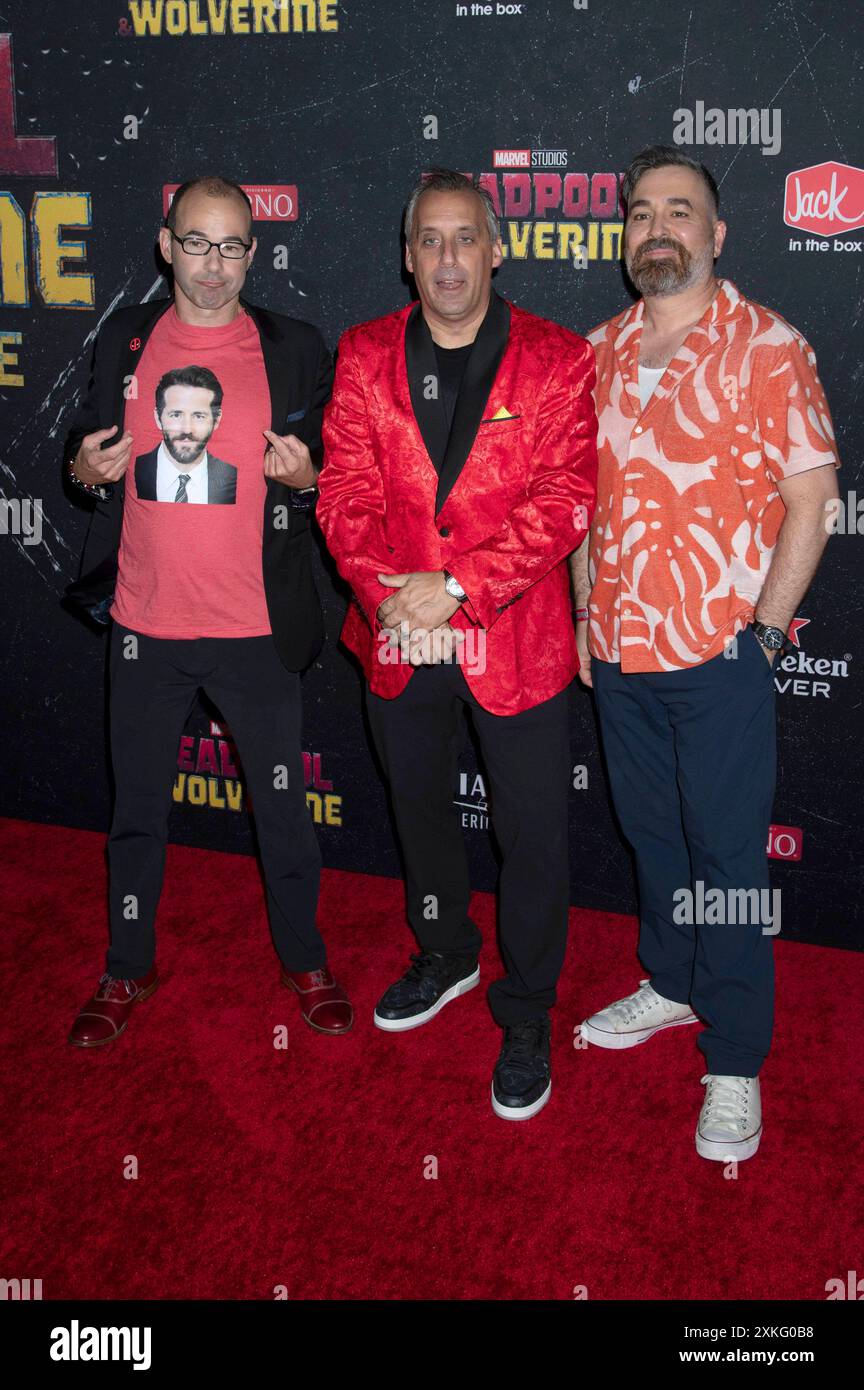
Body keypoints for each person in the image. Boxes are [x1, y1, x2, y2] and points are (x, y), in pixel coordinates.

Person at [570, 145, 840, 1161]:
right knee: (652, 835)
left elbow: (813, 500)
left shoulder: (769, 345)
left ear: (716, 235)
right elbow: (585, 507)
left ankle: (734, 1058)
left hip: (720, 655)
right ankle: (674, 981)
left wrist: (763, 638)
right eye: (641, 212)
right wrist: (586, 609)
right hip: (622, 652)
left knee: (727, 860)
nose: (657, 228)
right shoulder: (595, 349)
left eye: (678, 212)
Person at [317, 168, 598, 1120]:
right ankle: (444, 951)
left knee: (533, 837)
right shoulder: (361, 355)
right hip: (398, 631)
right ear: (407, 256)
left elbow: (566, 501)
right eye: (428, 241)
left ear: (496, 247)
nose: (446, 258)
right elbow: (343, 493)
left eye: (464, 238)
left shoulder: (558, 360)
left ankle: (525, 1012)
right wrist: (392, 598)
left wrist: (462, 588)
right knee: (420, 810)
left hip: (513, 639)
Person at [64, 175, 353, 1046]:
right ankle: (126, 967)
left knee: (283, 814)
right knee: (137, 813)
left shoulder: (295, 346)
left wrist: (308, 484)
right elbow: (82, 463)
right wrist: (85, 472)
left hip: (255, 631)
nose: (214, 264)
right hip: (146, 623)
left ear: (253, 254)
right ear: (166, 244)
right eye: (197, 242)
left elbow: (335, 471)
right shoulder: (124, 335)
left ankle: (305, 959)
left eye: (232, 246)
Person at [134, 366, 237, 504]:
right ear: (158, 418)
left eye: (199, 416)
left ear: (216, 420)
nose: (187, 430)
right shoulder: (132, 469)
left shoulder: (231, 475)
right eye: (176, 415)